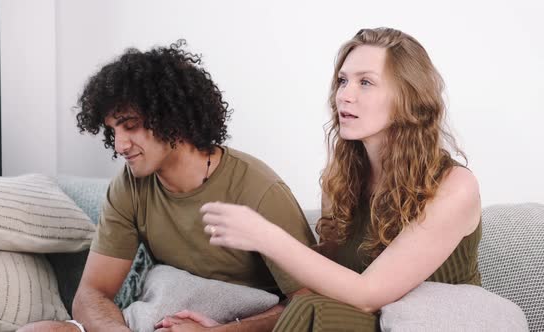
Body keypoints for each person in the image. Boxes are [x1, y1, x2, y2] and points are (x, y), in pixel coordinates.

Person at [18, 41, 315, 332]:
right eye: (112, 130)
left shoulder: (260, 190)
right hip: (158, 316)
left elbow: (310, 305)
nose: (120, 145)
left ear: (171, 119)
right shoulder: (129, 186)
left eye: (130, 125)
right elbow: (92, 293)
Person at [200, 27, 482, 331]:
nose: (345, 95)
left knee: (311, 310)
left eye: (366, 82)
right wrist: (225, 325)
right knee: (308, 307)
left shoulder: (454, 186)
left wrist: (266, 236)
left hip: (437, 323)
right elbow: (324, 286)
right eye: (343, 81)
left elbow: (367, 294)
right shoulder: (343, 180)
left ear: (408, 98)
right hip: (368, 322)